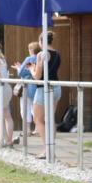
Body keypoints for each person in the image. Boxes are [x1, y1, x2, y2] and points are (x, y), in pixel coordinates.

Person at [31, 31, 62, 159]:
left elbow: (37, 77)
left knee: (37, 120)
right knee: (50, 119)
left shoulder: (41, 54)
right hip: (56, 88)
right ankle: (51, 149)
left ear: (41, 41)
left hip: (43, 89)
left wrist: (31, 69)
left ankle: (47, 150)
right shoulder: (57, 54)